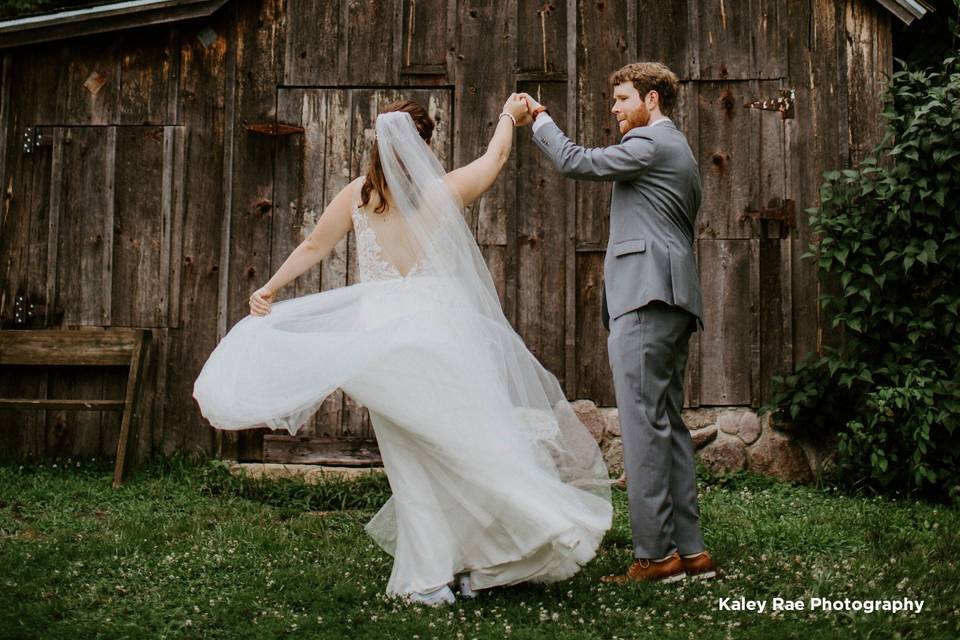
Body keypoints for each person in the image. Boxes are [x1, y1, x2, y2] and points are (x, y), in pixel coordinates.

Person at [192, 97, 613, 606]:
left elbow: (313, 248)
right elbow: (495, 161)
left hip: (381, 342)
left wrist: (270, 289)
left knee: (412, 461)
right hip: (439, 332)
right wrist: (507, 115)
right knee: (469, 444)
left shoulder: (358, 196)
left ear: (378, 141)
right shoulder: (440, 192)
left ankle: (435, 576)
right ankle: (514, 540)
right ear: (423, 144)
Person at [517, 61, 717, 583]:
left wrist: (540, 119)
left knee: (642, 426)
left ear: (652, 100)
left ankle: (655, 557)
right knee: (667, 424)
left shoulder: (652, 144)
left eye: (622, 98)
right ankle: (690, 551)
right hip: (673, 298)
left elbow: (574, 162)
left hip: (646, 297)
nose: (614, 108)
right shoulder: (681, 152)